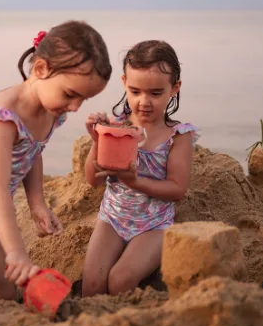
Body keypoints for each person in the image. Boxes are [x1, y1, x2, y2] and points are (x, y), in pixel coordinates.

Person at [0, 21, 112, 300]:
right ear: (41, 69)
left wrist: (37, 203)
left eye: (83, 100)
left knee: (10, 281)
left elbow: (32, 152)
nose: (75, 107)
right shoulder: (3, 117)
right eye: (70, 94)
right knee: (0, 284)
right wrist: (16, 252)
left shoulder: (49, 110)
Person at [81, 40, 200, 296]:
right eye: (135, 92)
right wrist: (98, 141)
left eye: (155, 93)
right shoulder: (116, 128)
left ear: (174, 88)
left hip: (154, 225)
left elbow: (177, 189)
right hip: (113, 218)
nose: (144, 102)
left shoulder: (177, 136)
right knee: (91, 285)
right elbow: (93, 179)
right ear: (124, 83)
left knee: (120, 281)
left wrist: (134, 182)